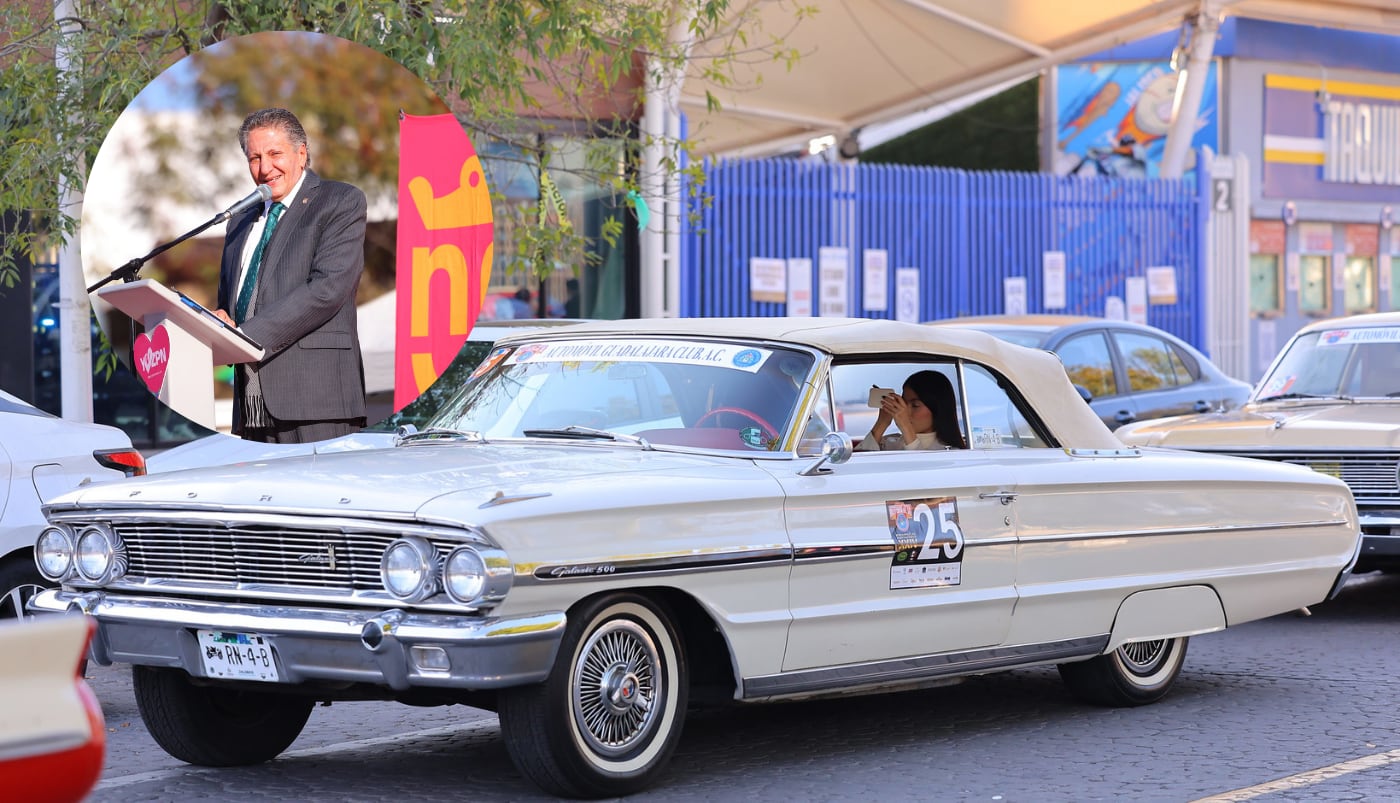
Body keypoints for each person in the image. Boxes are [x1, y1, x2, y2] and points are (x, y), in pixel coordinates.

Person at [213, 107, 368, 443]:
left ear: (301, 153)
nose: (264, 168)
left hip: (317, 402)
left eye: (275, 154)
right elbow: (230, 303)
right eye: (254, 158)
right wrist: (218, 322)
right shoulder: (238, 221)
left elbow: (327, 290)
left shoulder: (339, 201)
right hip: (251, 405)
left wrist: (244, 338)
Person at [859, 370, 967, 451]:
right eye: (903, 403)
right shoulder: (889, 443)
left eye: (915, 405)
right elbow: (857, 464)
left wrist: (906, 427)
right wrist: (882, 423)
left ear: (938, 409)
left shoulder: (950, 451)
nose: (905, 411)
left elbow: (922, 469)